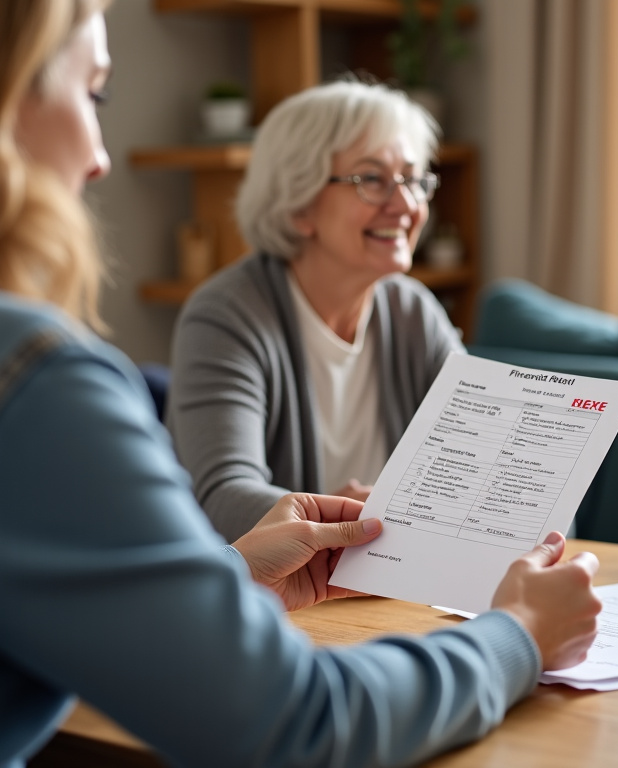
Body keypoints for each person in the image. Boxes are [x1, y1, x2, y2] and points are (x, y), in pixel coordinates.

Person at [0, 2, 601, 766]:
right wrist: (517, 637)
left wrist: (232, 578)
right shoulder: (26, 390)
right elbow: (296, 725)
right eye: (95, 93)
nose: (101, 156)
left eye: (413, 180)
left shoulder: (410, 310)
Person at [166, 79, 462, 540]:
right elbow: (221, 498)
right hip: (278, 599)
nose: (406, 204)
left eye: (413, 179)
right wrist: (344, 515)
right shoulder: (225, 315)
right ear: (298, 205)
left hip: (387, 589)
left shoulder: (414, 313)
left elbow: (487, 461)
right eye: (372, 180)